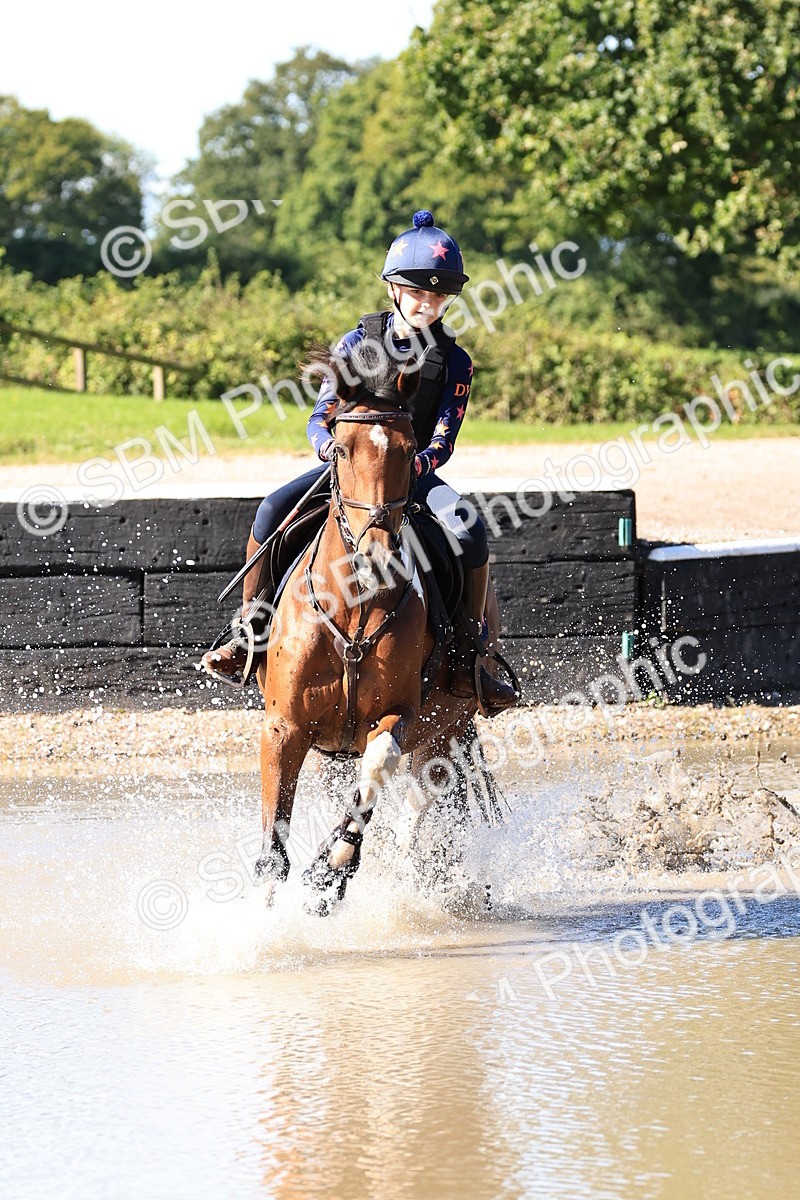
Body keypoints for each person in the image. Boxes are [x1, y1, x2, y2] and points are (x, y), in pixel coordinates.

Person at [202, 210, 517, 714]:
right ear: (394, 290)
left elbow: (445, 436)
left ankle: (470, 657)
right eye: (418, 293)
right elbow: (320, 416)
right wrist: (328, 448)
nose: (428, 304)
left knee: (471, 530)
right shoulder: (357, 344)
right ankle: (250, 632)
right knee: (269, 511)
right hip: (347, 473)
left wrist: (415, 467)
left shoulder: (456, 361)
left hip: (413, 477)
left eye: (438, 297)